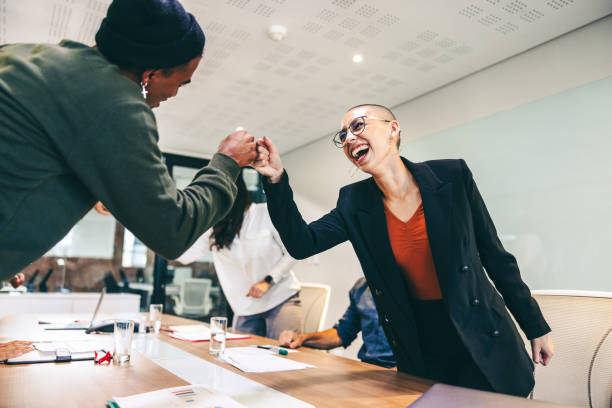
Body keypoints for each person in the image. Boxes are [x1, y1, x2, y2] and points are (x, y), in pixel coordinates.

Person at [253, 104, 554, 397]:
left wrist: (535, 326)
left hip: (481, 330)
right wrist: (275, 179)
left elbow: (495, 256)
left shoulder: (452, 176)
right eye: (342, 136)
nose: (349, 139)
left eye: (357, 126)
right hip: (422, 342)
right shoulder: (354, 203)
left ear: (392, 130)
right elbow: (302, 244)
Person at [0, 0, 257, 281]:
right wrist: (227, 162)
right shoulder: (116, 104)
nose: (174, 95)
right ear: (151, 74)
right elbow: (173, 230)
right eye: (181, 83)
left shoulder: (20, 55)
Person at [177, 170, 301, 339]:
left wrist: (269, 280)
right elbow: (183, 256)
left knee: (285, 359)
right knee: (238, 359)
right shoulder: (215, 227)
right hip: (244, 308)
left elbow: (296, 250)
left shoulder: (264, 212)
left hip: (280, 298)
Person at [279, 277, 395, 368]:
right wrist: (302, 338)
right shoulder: (361, 288)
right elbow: (342, 333)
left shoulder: (411, 284)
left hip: (403, 375)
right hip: (369, 368)